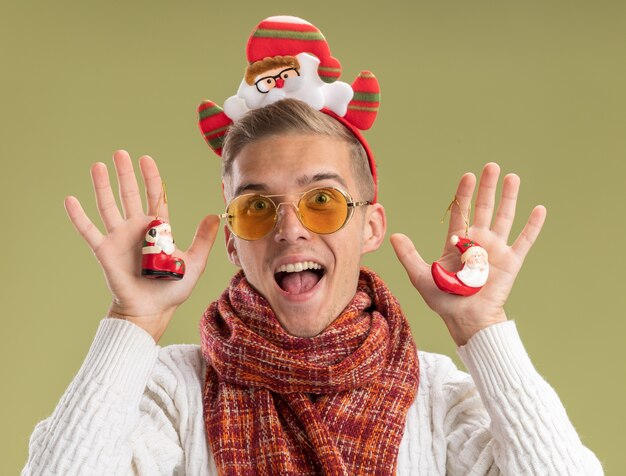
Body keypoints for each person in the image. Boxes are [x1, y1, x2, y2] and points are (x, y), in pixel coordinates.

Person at [23, 16, 602, 476]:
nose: (290, 229)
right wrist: (133, 320)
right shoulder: (173, 392)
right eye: (256, 207)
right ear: (232, 241)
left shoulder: (437, 396)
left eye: (321, 201)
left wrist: (483, 326)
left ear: (369, 227)